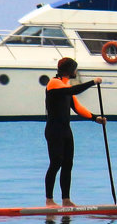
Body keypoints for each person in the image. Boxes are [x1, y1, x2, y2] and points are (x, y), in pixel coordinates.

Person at [44, 57, 105, 208]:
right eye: (75, 69)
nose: (76, 72)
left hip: (66, 130)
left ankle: (66, 199)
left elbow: (77, 107)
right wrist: (92, 82)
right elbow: (72, 90)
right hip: (54, 131)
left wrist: (94, 118)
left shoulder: (65, 85)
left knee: (68, 164)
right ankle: (49, 201)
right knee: (55, 163)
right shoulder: (54, 83)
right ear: (70, 70)